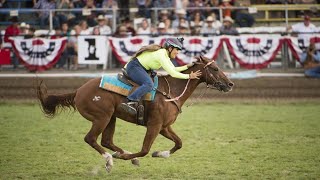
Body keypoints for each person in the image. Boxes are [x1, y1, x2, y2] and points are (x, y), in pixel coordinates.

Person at [118, 37, 202, 115]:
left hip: (139, 67)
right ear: (170, 48)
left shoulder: (164, 54)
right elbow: (173, 73)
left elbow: (173, 69)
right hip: (134, 67)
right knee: (149, 84)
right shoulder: (161, 55)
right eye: (177, 49)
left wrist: (187, 66)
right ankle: (129, 101)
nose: (178, 52)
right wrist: (189, 76)